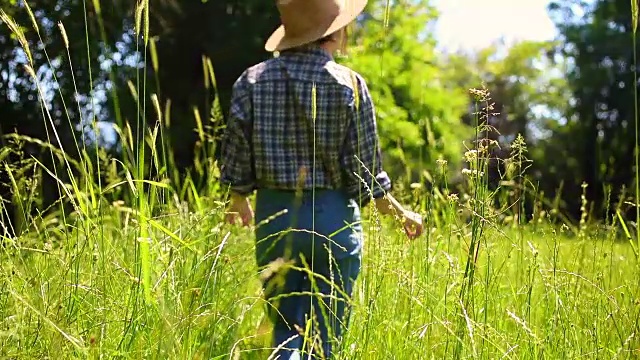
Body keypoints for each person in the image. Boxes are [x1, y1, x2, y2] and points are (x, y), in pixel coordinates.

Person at [219, 0, 423, 358]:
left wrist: (238, 197)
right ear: (335, 33)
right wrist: (400, 213)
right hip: (334, 221)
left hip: (276, 217)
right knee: (325, 340)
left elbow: (237, 149)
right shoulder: (350, 84)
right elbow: (365, 170)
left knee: (285, 334)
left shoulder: (251, 81)